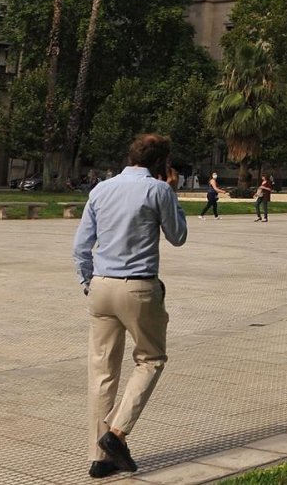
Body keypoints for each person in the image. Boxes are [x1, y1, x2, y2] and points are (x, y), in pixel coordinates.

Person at [72, 134, 188, 479]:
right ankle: (116, 433)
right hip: (139, 286)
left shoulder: (101, 190)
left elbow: (81, 246)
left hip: (101, 286)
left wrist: (87, 283)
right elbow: (178, 236)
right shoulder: (158, 190)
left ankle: (99, 457)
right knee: (151, 359)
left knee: (102, 371)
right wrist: (172, 190)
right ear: (162, 163)